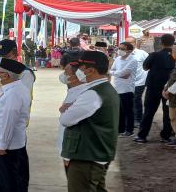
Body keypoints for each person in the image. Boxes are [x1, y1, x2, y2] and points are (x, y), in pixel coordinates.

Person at [60, 51, 119, 192]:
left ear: (91, 70)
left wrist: (69, 109)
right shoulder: (105, 89)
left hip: (87, 157)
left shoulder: (92, 94)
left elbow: (66, 119)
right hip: (96, 153)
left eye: (81, 68)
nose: (78, 72)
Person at [0, 39, 35, 191]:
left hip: (11, 131)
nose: (1, 58)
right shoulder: (3, 71)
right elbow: (3, 99)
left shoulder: (24, 73)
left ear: (14, 53)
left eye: (4, 55)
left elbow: (13, 107)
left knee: (15, 170)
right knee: (0, 168)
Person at [134, 34, 175, 143]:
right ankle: (166, 136)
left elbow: (145, 67)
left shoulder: (154, 55)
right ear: (173, 42)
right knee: (168, 112)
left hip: (153, 86)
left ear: (161, 43)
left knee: (149, 111)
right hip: (170, 86)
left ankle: (142, 135)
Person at [57, 61, 87, 155]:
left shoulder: (84, 93)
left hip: (74, 147)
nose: (63, 74)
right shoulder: (73, 90)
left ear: (76, 76)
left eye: (66, 71)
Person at [110, 42, 138, 137]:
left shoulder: (133, 60)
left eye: (122, 49)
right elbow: (112, 70)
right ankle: (120, 130)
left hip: (127, 89)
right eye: (119, 48)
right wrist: (117, 73)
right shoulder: (117, 59)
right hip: (117, 88)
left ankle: (129, 130)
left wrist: (114, 73)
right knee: (119, 111)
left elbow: (125, 74)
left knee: (128, 111)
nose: (120, 50)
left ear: (129, 50)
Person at [125, 37, 149, 127]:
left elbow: (149, 64)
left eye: (129, 43)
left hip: (139, 81)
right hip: (126, 82)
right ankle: (129, 119)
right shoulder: (123, 53)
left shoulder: (142, 53)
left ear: (134, 44)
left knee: (136, 99)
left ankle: (138, 119)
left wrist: (146, 74)